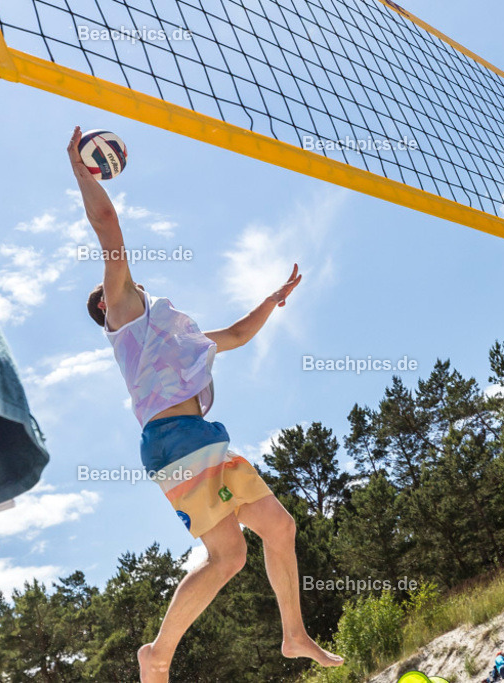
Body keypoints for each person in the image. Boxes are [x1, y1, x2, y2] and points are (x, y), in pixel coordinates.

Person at [67, 127, 343, 683]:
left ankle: (291, 634)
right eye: (108, 285)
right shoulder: (124, 316)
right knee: (233, 554)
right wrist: (79, 168)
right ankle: (158, 654)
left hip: (198, 438)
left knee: (269, 534)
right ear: (105, 304)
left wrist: (271, 300)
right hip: (176, 441)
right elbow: (109, 230)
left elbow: (238, 335)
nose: (116, 280)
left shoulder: (174, 334)